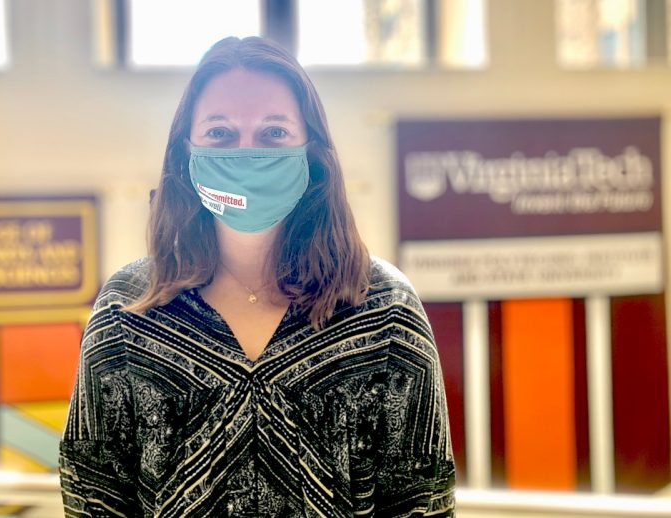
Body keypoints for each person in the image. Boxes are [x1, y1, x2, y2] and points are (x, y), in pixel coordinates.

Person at [59, 36, 455, 517]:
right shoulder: (127, 311)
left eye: (273, 133)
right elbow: (93, 495)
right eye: (221, 133)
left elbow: (423, 499)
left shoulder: (385, 310)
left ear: (311, 151)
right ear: (186, 152)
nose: (246, 154)